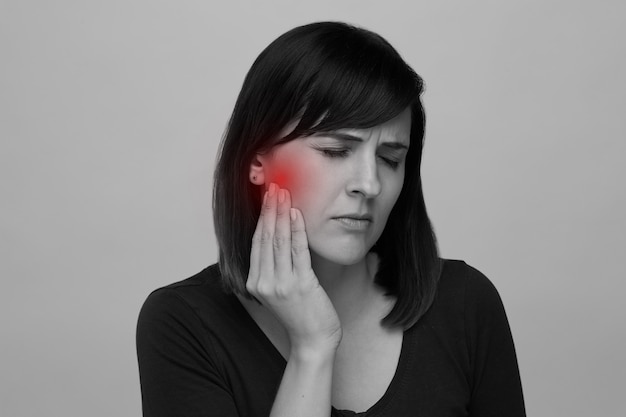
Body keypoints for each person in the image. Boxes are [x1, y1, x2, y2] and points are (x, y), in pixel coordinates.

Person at [136, 21, 526, 417]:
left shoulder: (464, 304)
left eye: (390, 158)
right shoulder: (182, 324)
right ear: (257, 161)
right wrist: (313, 348)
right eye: (336, 150)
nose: (369, 184)